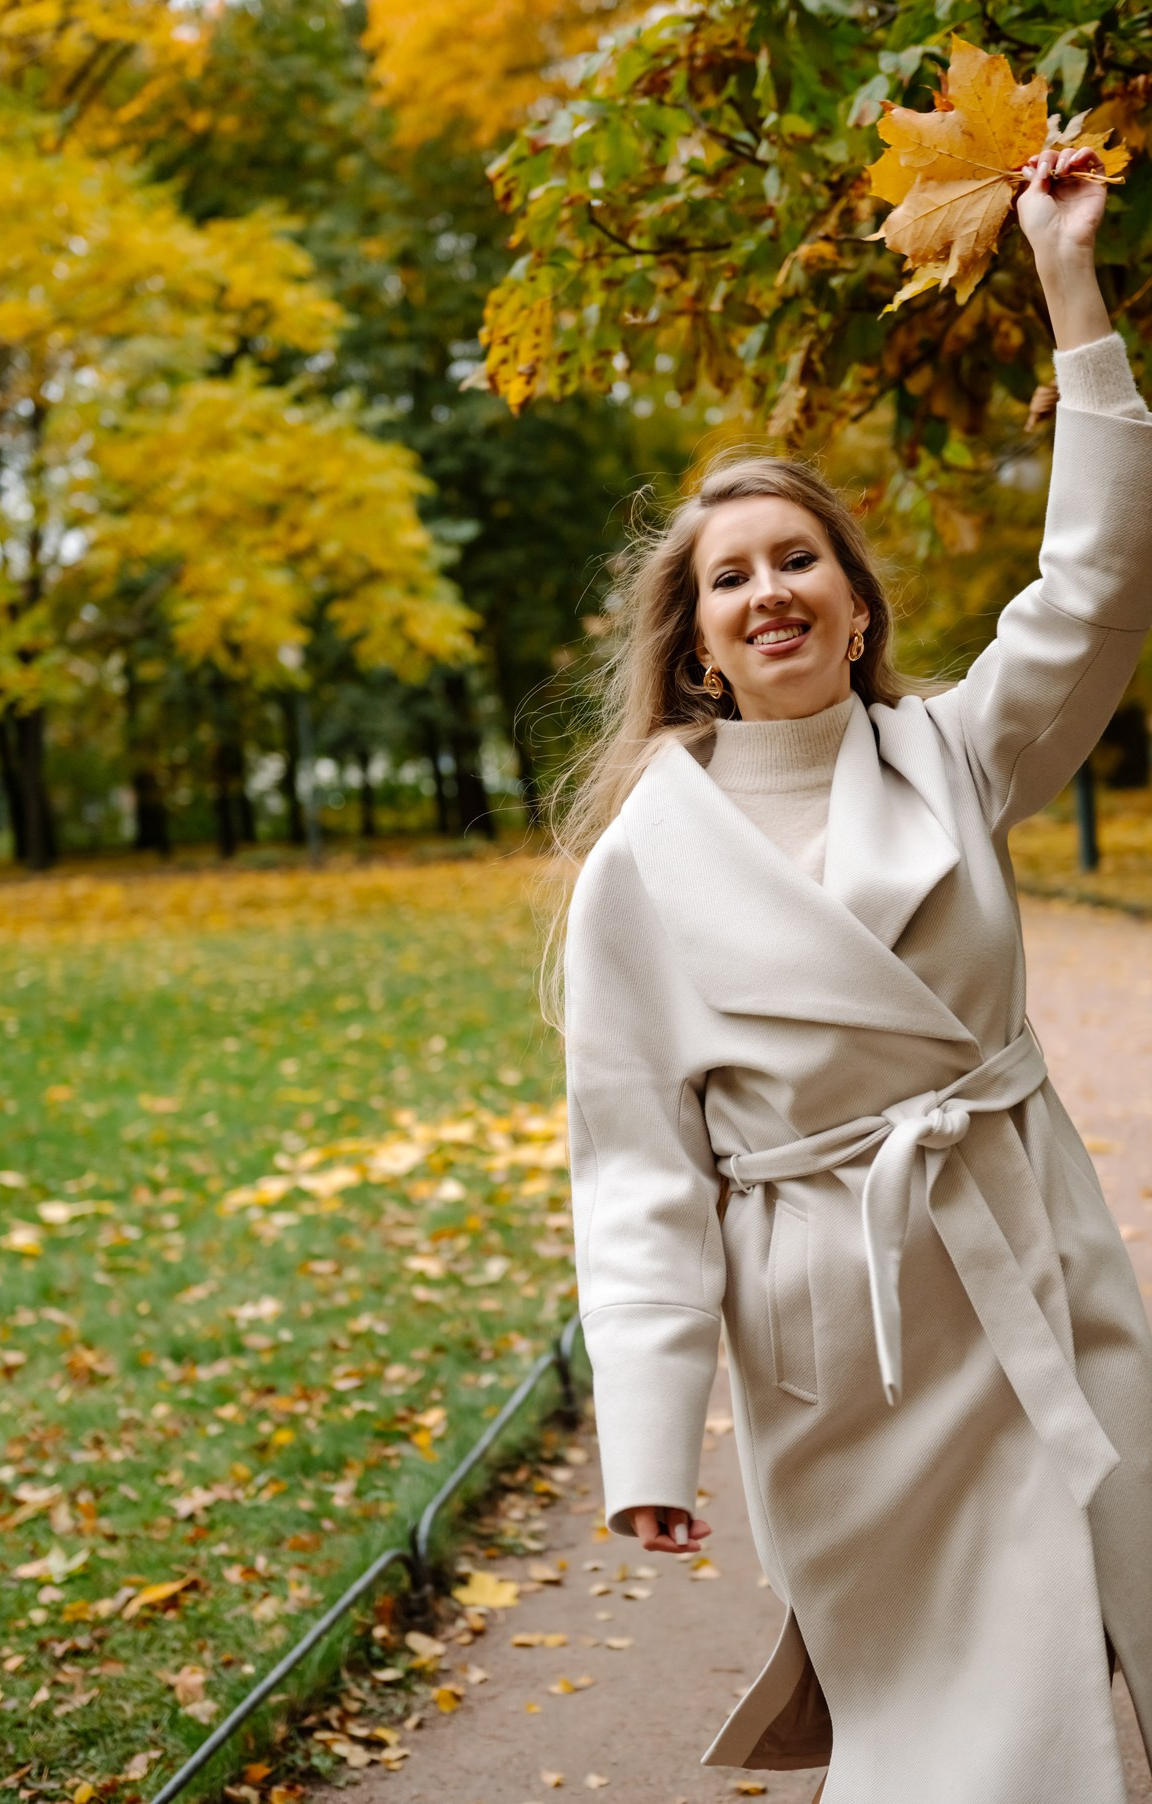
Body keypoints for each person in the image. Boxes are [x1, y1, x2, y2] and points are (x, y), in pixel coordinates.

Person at [559, 142, 1152, 1804]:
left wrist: (1068, 286)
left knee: (1120, 1606)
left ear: (855, 602)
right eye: (729, 575)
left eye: (797, 559)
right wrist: (653, 1435)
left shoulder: (954, 756)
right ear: (693, 637)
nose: (768, 592)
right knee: (960, 1733)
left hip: (1029, 1241)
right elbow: (634, 1171)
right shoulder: (641, 877)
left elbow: (1098, 588)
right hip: (851, 1340)